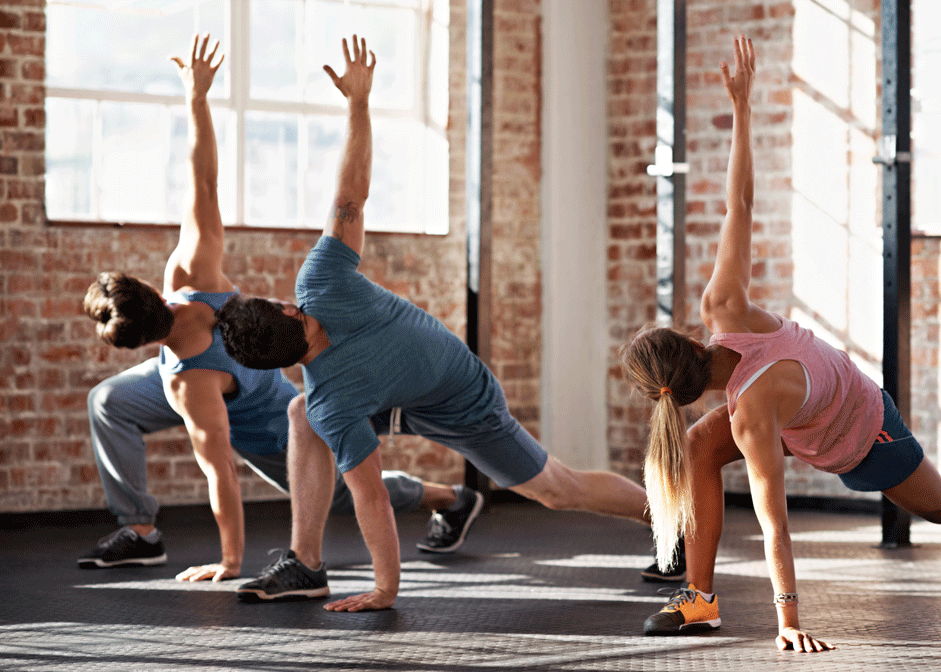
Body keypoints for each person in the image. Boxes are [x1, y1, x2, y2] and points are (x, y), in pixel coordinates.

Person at [621, 35, 941, 652]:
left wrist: (788, 620)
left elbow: (775, 522)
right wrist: (741, 108)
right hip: (804, 418)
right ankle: (699, 599)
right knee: (699, 447)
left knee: (940, 505)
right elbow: (739, 205)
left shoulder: (749, 404)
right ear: (686, 342)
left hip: (863, 431)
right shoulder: (723, 315)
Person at [216, 35, 658, 611]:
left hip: (460, 398)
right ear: (288, 311)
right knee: (301, 414)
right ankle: (306, 564)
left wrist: (385, 589)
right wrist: (358, 103)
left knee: (556, 490)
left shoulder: (329, 352)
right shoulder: (320, 313)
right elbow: (351, 197)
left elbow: (371, 497)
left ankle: (673, 516)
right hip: (388, 389)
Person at [79, 35, 483, 584]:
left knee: (336, 493)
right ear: (150, 292)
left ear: (139, 340)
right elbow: (203, 181)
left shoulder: (190, 388)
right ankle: (142, 531)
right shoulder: (190, 274)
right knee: (110, 401)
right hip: (197, 370)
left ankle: (449, 498)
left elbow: (220, 472)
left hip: (259, 415)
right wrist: (197, 98)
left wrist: (228, 562)